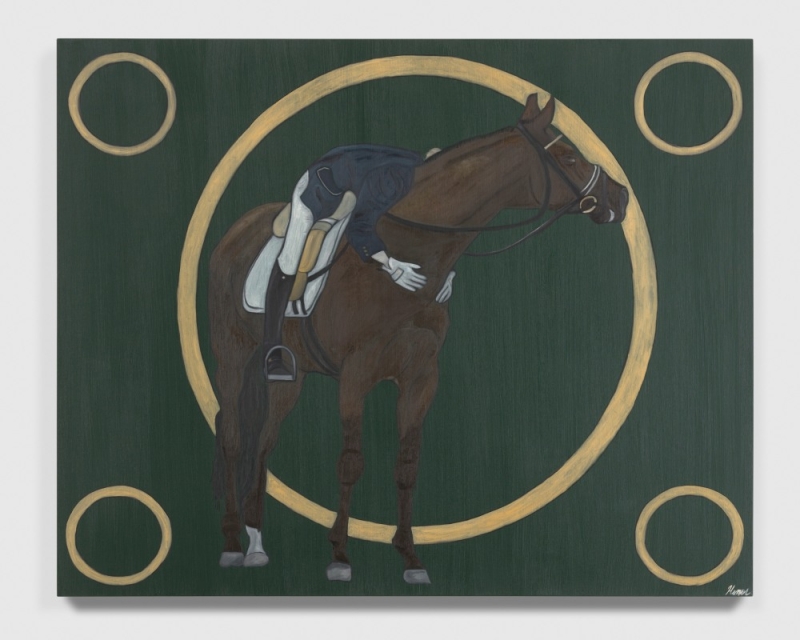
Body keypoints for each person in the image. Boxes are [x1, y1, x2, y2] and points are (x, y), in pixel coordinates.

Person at [263, 144, 428, 381]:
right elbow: (358, 229)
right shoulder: (391, 182)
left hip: (350, 188)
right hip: (318, 192)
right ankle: (272, 351)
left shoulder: (418, 168)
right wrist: (391, 264)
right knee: (290, 258)